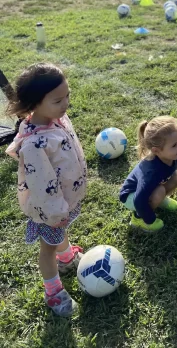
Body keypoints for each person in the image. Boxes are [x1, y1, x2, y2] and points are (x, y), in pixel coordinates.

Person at [5, 63, 87, 317]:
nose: (66, 104)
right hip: (49, 208)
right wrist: (55, 212)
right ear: (34, 104)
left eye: (67, 96)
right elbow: (43, 185)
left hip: (61, 202)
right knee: (47, 246)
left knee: (58, 232)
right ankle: (53, 292)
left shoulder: (56, 119)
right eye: (57, 100)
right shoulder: (33, 145)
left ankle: (66, 259)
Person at [119, 116, 177, 232]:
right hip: (131, 196)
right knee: (159, 191)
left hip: (145, 191)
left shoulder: (171, 156)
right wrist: (150, 219)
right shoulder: (150, 172)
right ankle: (138, 219)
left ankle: (159, 200)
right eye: (174, 145)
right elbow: (139, 199)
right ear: (156, 151)